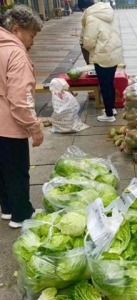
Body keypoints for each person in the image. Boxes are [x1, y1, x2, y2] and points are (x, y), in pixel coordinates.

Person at [0, 5, 44, 228]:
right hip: (9, 125)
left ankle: (7, 208)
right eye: (31, 35)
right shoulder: (16, 53)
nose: (32, 42)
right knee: (17, 170)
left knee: (2, 171)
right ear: (16, 30)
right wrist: (34, 126)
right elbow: (20, 99)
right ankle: (21, 215)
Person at [78, 0, 123, 122]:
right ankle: (111, 108)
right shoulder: (107, 12)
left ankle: (109, 115)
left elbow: (89, 41)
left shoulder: (92, 17)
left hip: (102, 55)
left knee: (104, 85)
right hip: (113, 53)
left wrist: (84, 45)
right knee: (110, 83)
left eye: (82, 10)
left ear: (85, 8)